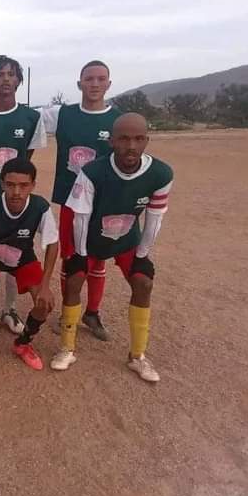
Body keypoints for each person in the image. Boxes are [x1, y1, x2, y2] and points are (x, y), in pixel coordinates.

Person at [50, 113, 173, 382]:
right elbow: (81, 217)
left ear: (147, 141)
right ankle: (66, 349)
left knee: (143, 283)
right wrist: (80, 255)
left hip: (126, 239)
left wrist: (142, 256)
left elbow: (154, 218)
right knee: (74, 280)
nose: (131, 146)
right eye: (124, 139)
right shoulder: (92, 172)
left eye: (138, 139)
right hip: (91, 239)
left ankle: (137, 356)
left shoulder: (161, 174)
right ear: (111, 141)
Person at [40, 60, 121, 340]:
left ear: (109, 84)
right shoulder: (62, 114)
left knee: (98, 260)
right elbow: (22, 116)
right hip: (71, 200)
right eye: (89, 79)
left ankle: (92, 312)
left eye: (100, 79)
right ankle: (68, 312)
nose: (95, 84)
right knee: (71, 258)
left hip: (103, 202)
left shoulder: (118, 120)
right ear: (79, 84)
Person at [0, 55, 47, 335]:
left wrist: (16, 184)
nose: (5, 79)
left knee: (17, 249)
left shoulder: (31, 118)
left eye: (11, 74)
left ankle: (10, 309)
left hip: (17, 196)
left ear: (18, 80)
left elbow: (27, 157)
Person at [0, 157, 58, 369]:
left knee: (45, 303)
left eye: (23, 185)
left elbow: (53, 243)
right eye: (10, 184)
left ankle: (23, 343)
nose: (16, 191)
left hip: (22, 259)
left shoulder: (40, 207)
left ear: (33, 185)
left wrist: (45, 285)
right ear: (2, 184)